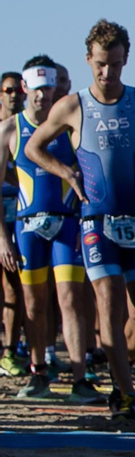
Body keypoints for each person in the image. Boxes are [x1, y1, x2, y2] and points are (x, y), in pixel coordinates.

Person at [25, 20, 135, 421]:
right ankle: (125, 394)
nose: (108, 74)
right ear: (89, 60)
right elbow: (34, 147)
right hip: (95, 220)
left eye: (116, 65)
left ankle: (120, 371)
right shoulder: (72, 106)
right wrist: (66, 173)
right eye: (101, 65)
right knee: (108, 304)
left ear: (126, 61)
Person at [0, 64, 97, 403]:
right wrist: (2, 239)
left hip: (66, 223)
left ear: (56, 89)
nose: (42, 95)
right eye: (36, 88)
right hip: (27, 227)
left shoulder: (67, 127)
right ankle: (38, 372)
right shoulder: (10, 129)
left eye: (48, 88)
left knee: (70, 300)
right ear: (25, 88)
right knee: (33, 304)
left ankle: (80, 377)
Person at [0, 70, 26, 378]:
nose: (14, 94)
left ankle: (11, 349)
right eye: (8, 89)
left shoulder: (27, 128)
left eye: (18, 89)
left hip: (20, 208)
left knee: (15, 285)